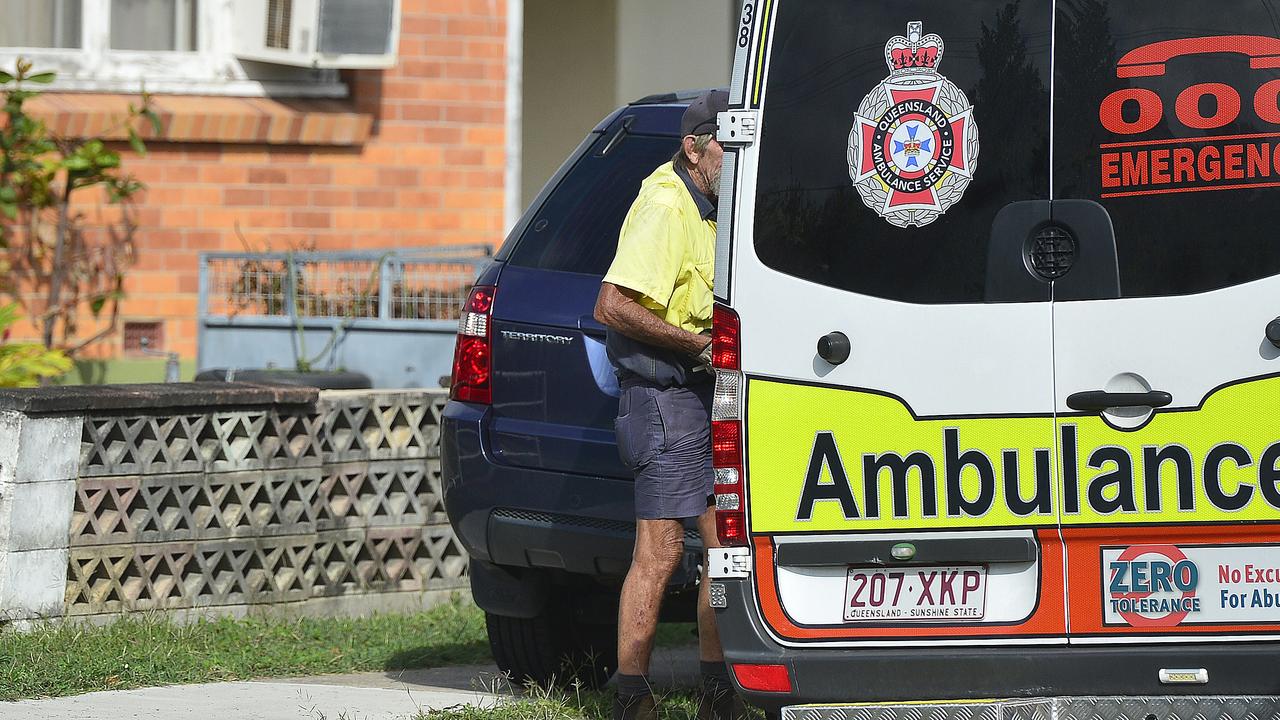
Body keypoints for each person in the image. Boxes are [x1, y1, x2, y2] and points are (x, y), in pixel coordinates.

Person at [593, 89, 746, 720]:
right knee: (659, 549)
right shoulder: (665, 205)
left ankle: (717, 692)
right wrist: (694, 343)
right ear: (693, 146)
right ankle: (631, 696)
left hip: (704, 392)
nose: (731, 159)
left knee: (719, 541)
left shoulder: (715, 204)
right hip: (661, 395)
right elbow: (612, 306)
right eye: (723, 147)